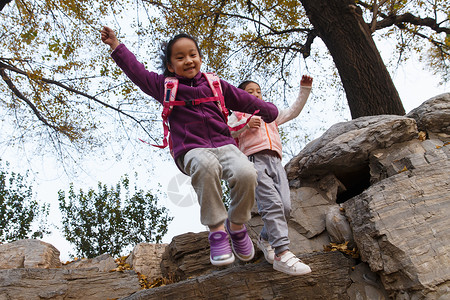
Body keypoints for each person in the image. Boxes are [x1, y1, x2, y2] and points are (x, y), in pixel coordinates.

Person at [100, 27, 279, 266]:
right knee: (205, 167)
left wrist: (269, 111)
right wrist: (116, 46)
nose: (188, 60)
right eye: (180, 57)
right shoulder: (165, 86)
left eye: (192, 54)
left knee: (247, 173)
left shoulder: (216, 84)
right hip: (191, 148)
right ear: (171, 66)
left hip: (225, 144)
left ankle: (236, 225)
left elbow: (243, 98)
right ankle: (217, 230)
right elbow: (138, 73)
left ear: (200, 58)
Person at [228, 75, 313, 275]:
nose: (256, 94)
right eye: (250, 92)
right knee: (271, 205)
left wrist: (305, 89)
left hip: (276, 162)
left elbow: (293, 111)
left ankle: (265, 238)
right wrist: (246, 125)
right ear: (241, 97)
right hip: (253, 161)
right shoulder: (239, 114)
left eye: (258, 91)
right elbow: (226, 131)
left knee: (285, 207)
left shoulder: (269, 114)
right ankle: (282, 252)